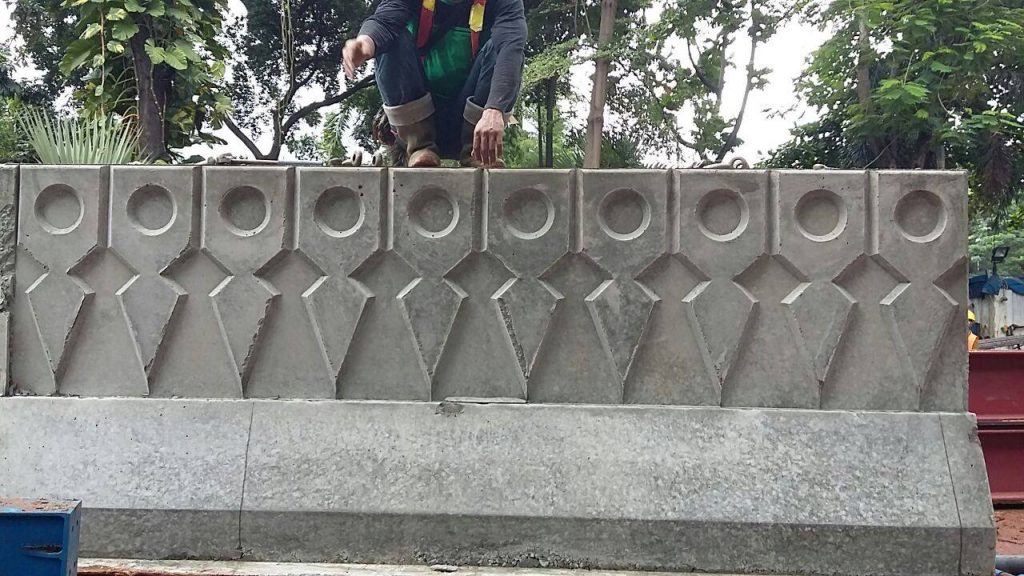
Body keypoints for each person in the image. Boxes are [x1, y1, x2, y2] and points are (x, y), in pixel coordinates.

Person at [343, 0, 527, 168]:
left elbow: (510, 46)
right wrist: (365, 42)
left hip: (477, 122)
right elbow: (384, 21)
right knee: (391, 39)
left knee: (507, 48)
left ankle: (478, 151)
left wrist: (495, 109)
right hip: (416, 115)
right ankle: (419, 146)